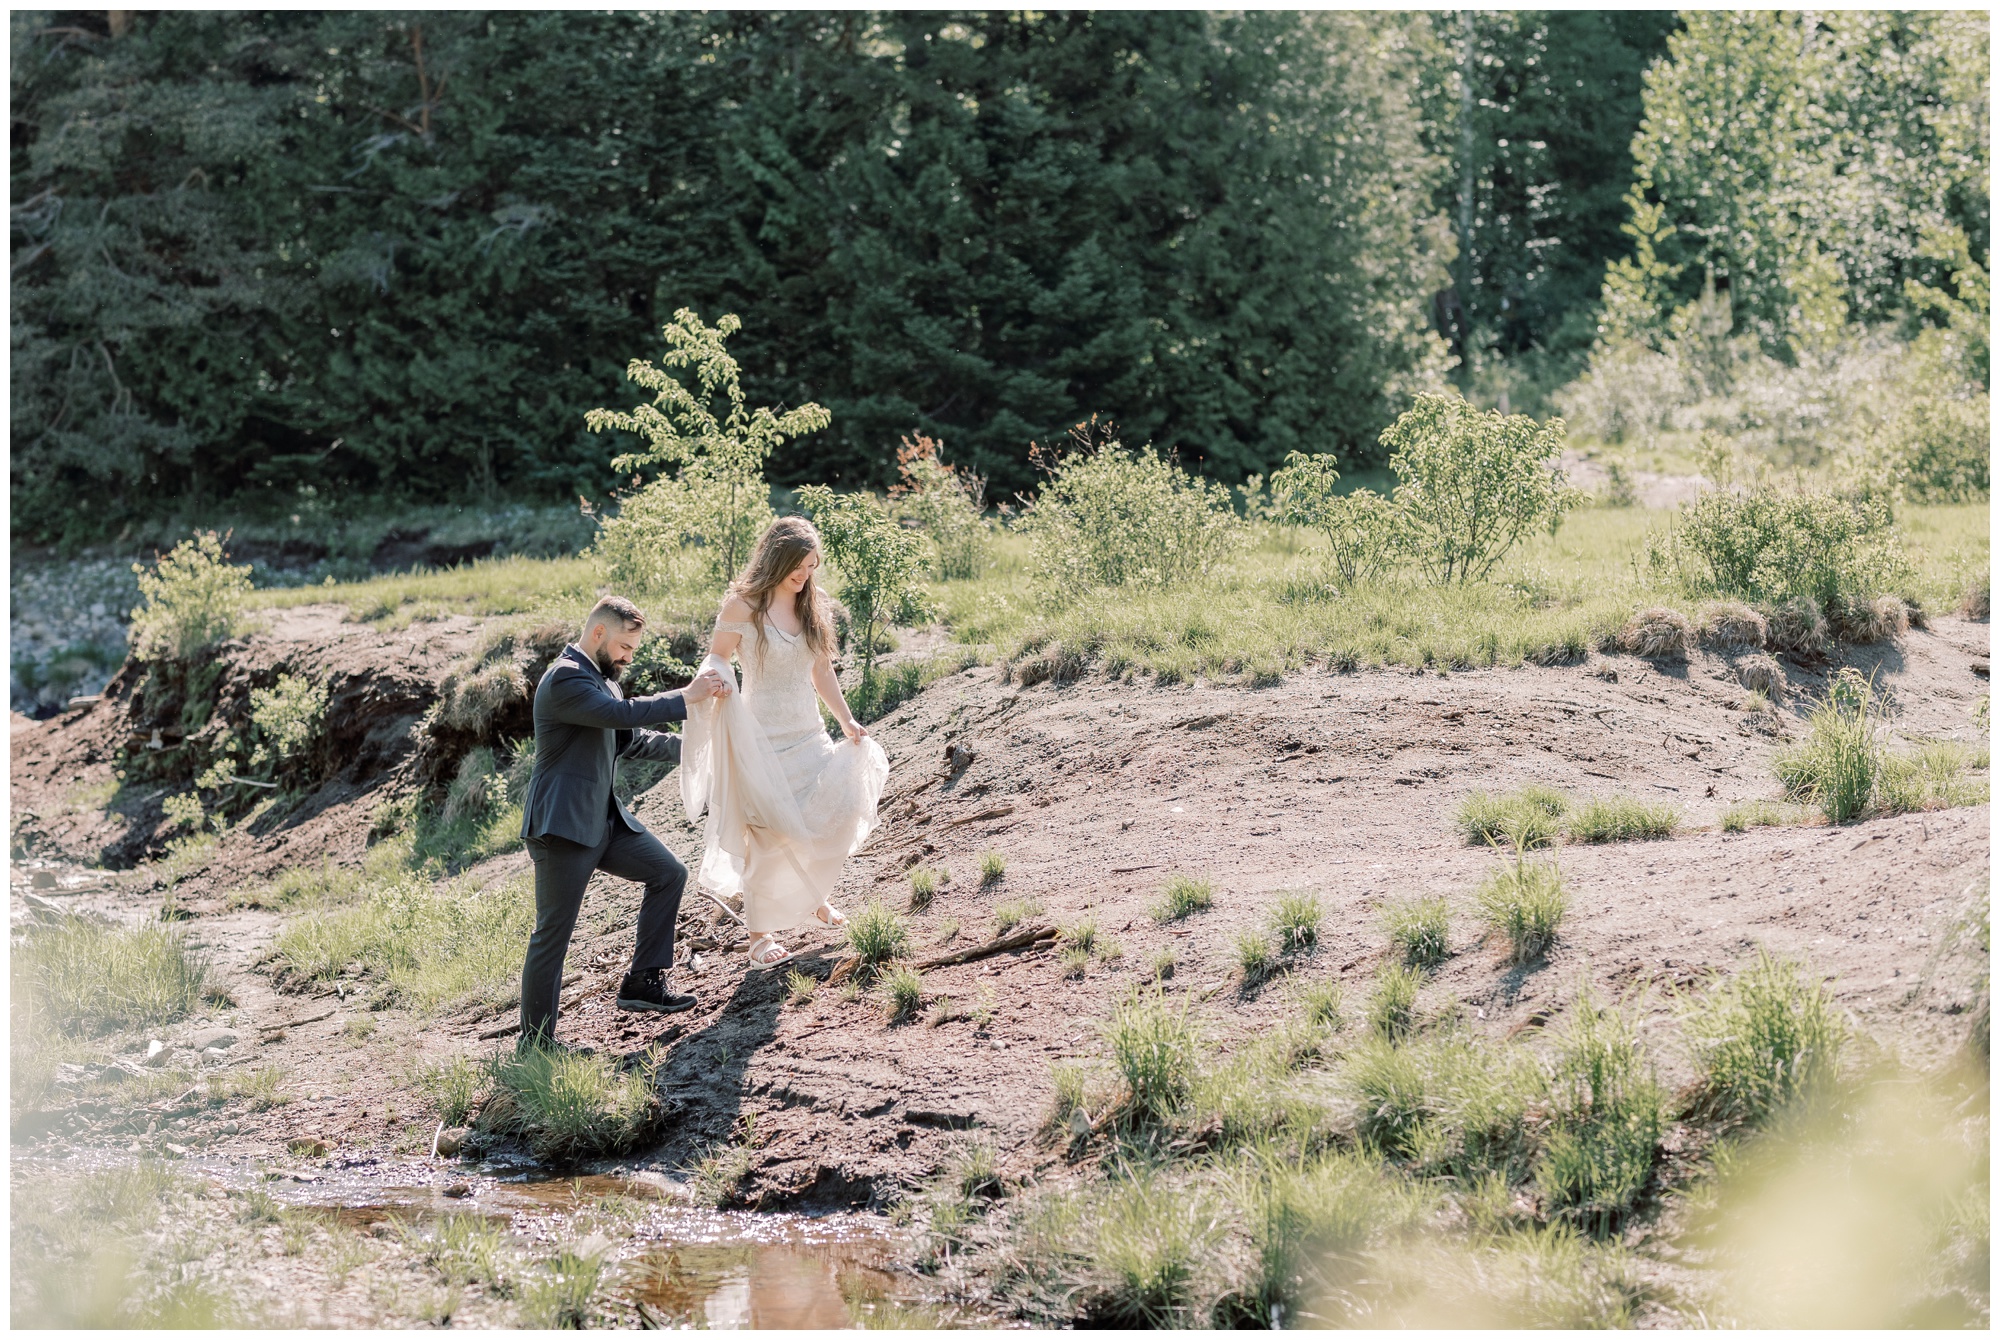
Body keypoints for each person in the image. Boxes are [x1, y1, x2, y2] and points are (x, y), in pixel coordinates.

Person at [516, 595, 734, 1051]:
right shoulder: (565, 679)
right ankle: (535, 1045)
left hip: (603, 822)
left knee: (668, 874)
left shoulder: (602, 681)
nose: (628, 657)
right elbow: (622, 714)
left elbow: (632, 739)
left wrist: (700, 751)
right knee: (553, 934)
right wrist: (686, 697)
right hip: (562, 826)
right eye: (624, 647)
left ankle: (642, 983)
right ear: (598, 634)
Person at [680, 517, 891, 968]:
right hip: (759, 740)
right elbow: (717, 656)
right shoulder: (744, 605)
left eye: (812, 567)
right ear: (777, 558)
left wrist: (847, 721)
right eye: (799, 567)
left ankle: (813, 898)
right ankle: (759, 937)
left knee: (825, 816)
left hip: (808, 734)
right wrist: (715, 677)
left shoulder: (813, 607)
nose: (805, 576)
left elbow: (821, 671)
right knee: (766, 836)